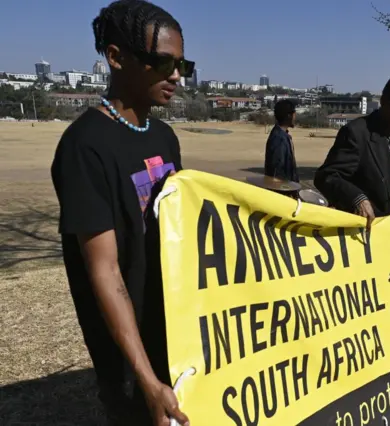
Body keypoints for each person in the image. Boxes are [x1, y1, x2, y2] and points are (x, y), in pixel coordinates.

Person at [50, 1, 194, 425]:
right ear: (116, 57)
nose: (176, 76)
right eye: (162, 62)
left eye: (182, 64)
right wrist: (147, 380)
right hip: (131, 350)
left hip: (175, 329)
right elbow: (105, 272)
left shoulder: (164, 137)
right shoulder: (84, 147)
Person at [314, 74, 390, 228]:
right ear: (383, 101)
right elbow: (326, 177)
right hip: (357, 233)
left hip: (384, 234)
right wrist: (357, 198)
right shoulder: (356, 132)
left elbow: (383, 179)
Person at [264, 99, 299, 182]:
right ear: (289, 116)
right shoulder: (279, 139)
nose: (295, 117)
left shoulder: (282, 136)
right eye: (294, 114)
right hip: (282, 190)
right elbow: (277, 172)